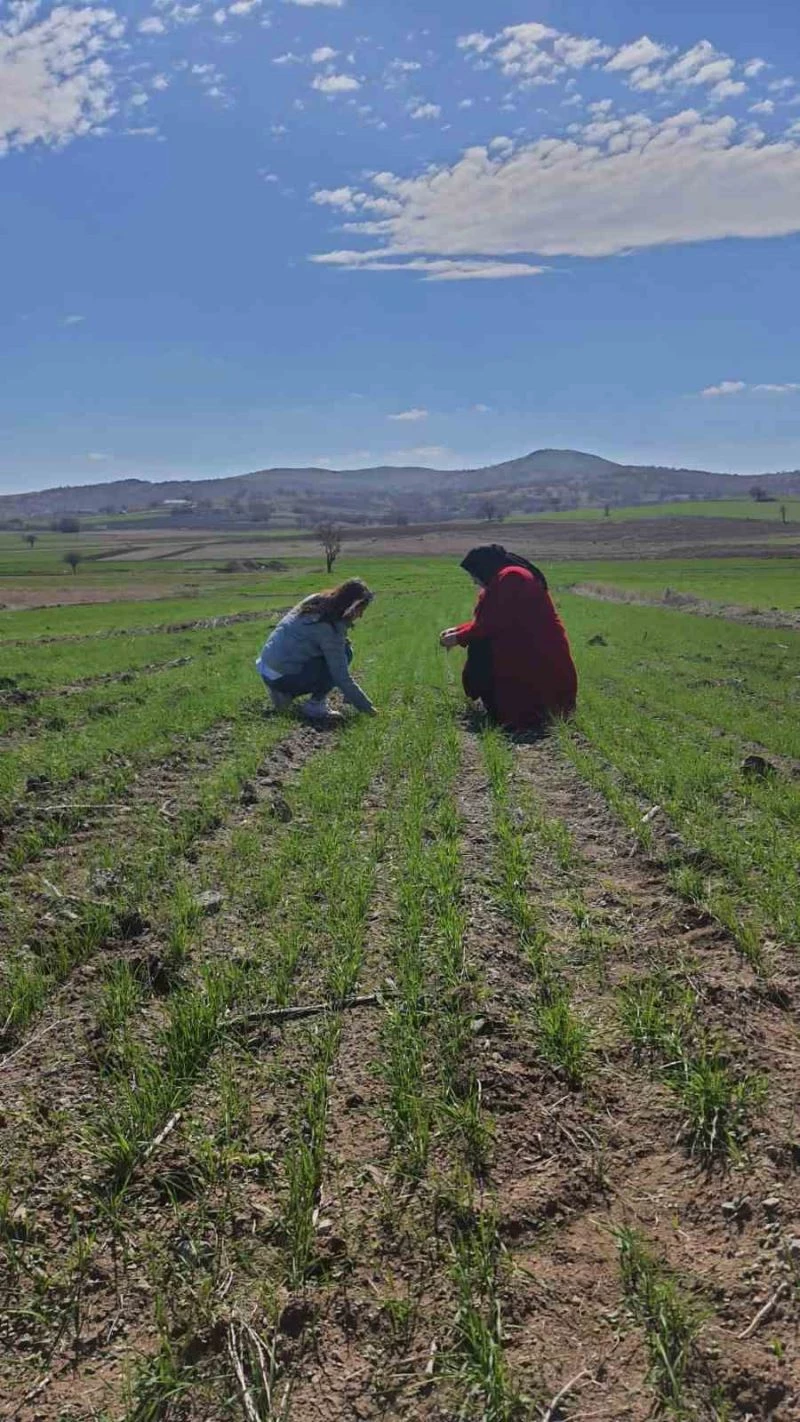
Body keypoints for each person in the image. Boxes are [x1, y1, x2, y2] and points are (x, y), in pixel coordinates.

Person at [439, 545, 577, 732]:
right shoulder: (503, 578)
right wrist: (458, 630)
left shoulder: (512, 578)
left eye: (473, 574)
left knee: (520, 718)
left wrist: (459, 637)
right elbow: (488, 620)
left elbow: (495, 623)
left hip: (537, 659)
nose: (473, 581)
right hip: (528, 654)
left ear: (483, 567)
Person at [256, 578, 376, 721]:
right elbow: (341, 676)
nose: (360, 616)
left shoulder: (315, 600)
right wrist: (369, 710)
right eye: (360, 610)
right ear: (350, 607)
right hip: (283, 677)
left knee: (340, 649)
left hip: (266, 668)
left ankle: (281, 694)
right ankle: (314, 705)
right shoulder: (329, 630)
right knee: (345, 653)